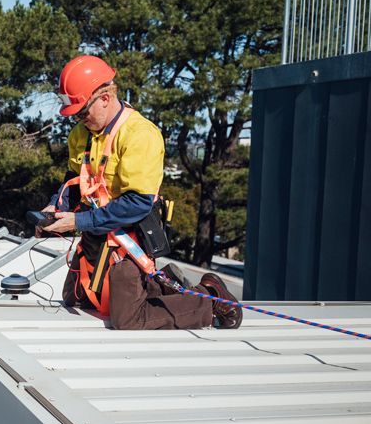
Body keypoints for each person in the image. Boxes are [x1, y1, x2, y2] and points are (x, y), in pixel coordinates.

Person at [42, 55, 242, 330]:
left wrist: (77, 222)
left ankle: (210, 297)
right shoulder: (81, 134)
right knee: (76, 300)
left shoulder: (140, 135)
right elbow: (74, 180)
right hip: (95, 237)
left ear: (105, 97)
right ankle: (162, 285)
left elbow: (136, 204)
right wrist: (55, 208)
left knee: (128, 319)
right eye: (74, 114)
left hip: (128, 243)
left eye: (82, 111)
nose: (79, 119)